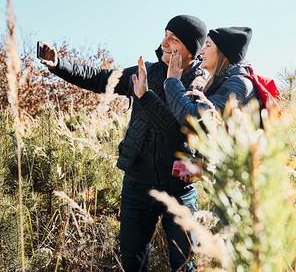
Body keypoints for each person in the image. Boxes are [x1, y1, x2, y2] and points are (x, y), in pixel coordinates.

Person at [38, 15, 207, 271]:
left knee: (184, 264)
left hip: (180, 188)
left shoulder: (201, 86)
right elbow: (99, 78)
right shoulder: (145, 72)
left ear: (191, 50)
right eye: (165, 35)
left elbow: (198, 133)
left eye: (173, 39)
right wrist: (58, 64)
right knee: (132, 263)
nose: (164, 43)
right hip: (137, 185)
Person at [133, 27, 257, 182]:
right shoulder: (217, 84)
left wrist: (172, 81)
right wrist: (199, 165)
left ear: (223, 54)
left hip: (244, 188)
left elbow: (194, 119)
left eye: (208, 46)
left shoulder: (238, 84)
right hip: (228, 184)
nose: (201, 52)